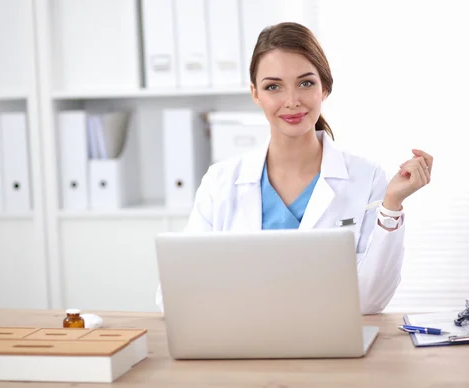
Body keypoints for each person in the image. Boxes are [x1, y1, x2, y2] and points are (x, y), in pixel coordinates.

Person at [156, 22, 433, 314]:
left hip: (330, 346)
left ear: (324, 88)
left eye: (305, 83)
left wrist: (392, 205)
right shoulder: (221, 181)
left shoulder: (367, 177)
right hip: (243, 345)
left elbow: (371, 301)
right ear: (255, 94)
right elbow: (173, 294)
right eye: (273, 86)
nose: (291, 101)